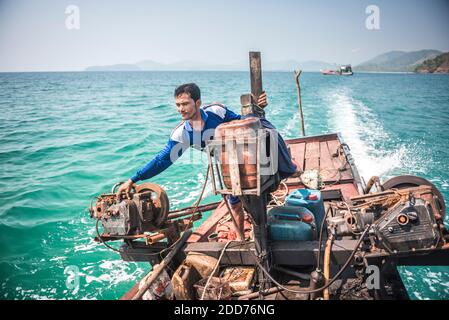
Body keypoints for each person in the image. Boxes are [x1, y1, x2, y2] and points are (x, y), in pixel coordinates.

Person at [116, 83, 297, 236]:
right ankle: (241, 239)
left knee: (260, 189)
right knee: (234, 205)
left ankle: (287, 168)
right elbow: (161, 161)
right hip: (225, 164)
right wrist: (134, 179)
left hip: (246, 153)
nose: (181, 109)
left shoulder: (216, 111)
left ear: (198, 102)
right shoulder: (182, 134)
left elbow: (244, 122)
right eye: (178, 105)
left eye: (185, 104)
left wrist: (258, 107)